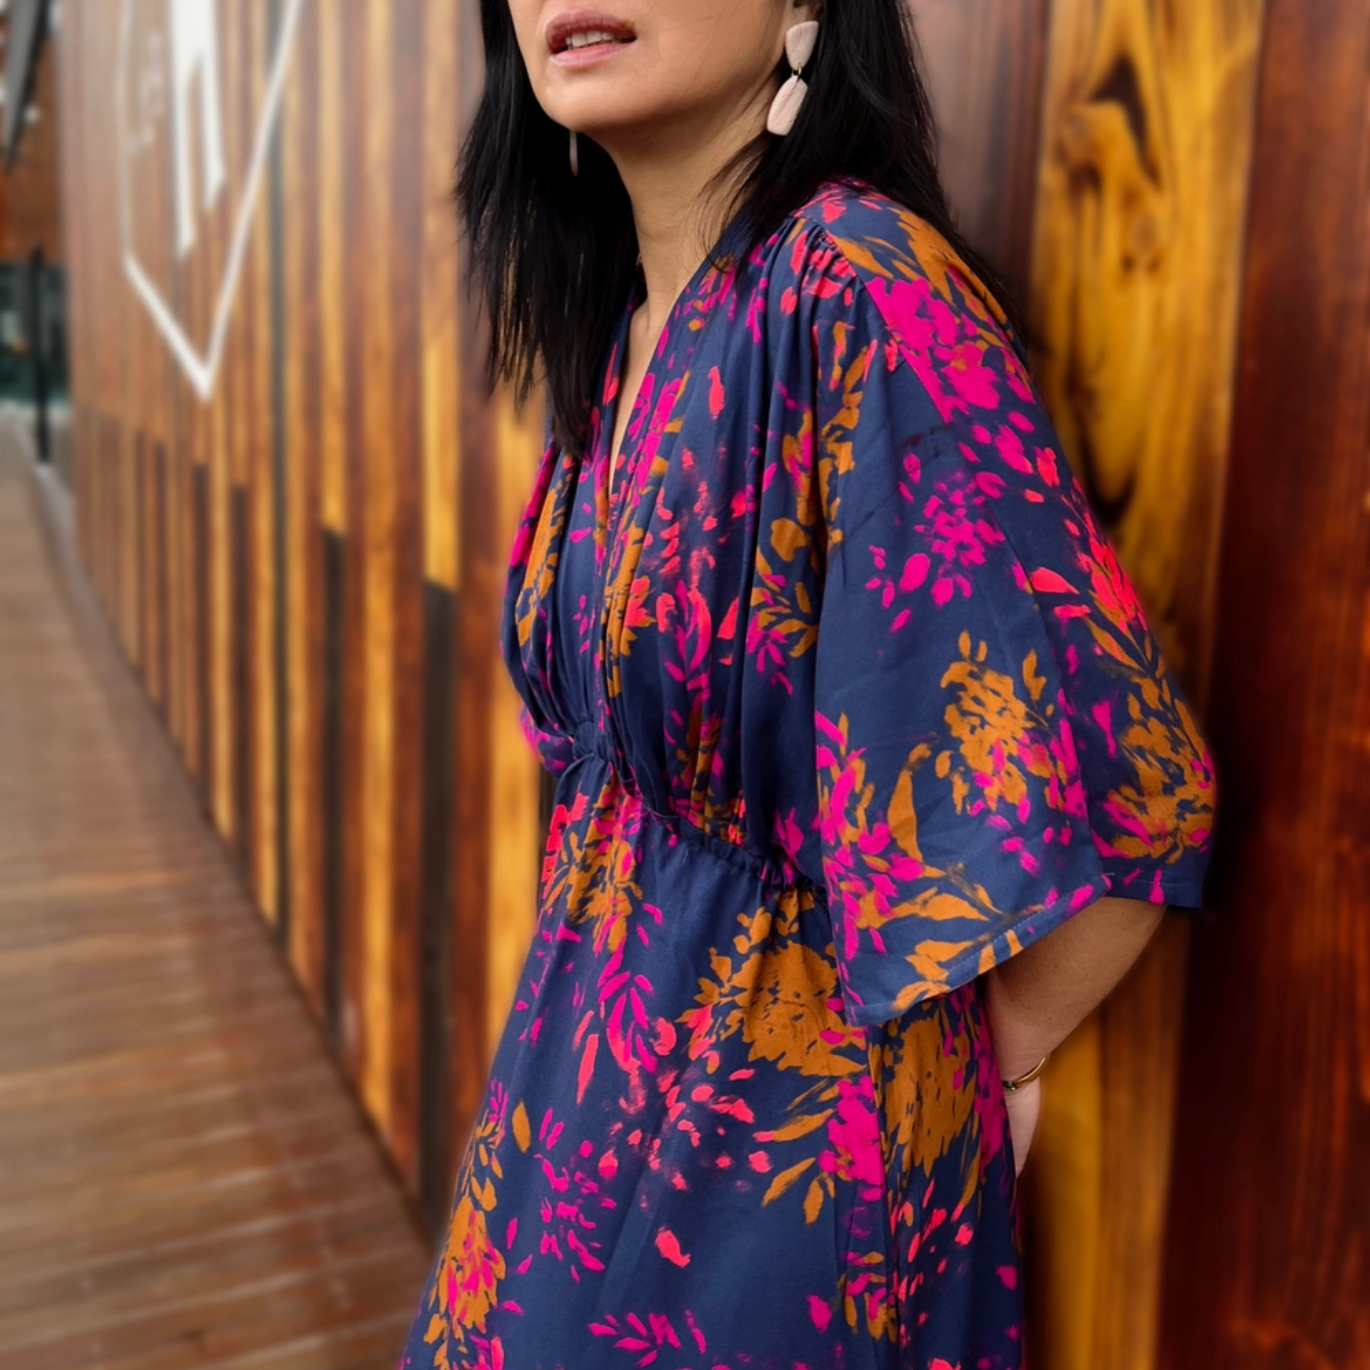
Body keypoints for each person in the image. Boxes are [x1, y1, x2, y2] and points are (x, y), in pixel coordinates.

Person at [398, 0, 1217, 1365]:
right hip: (577, 1090)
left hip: (780, 1169)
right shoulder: (630, 319)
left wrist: (993, 1066)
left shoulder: (858, 288)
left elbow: (1133, 795)